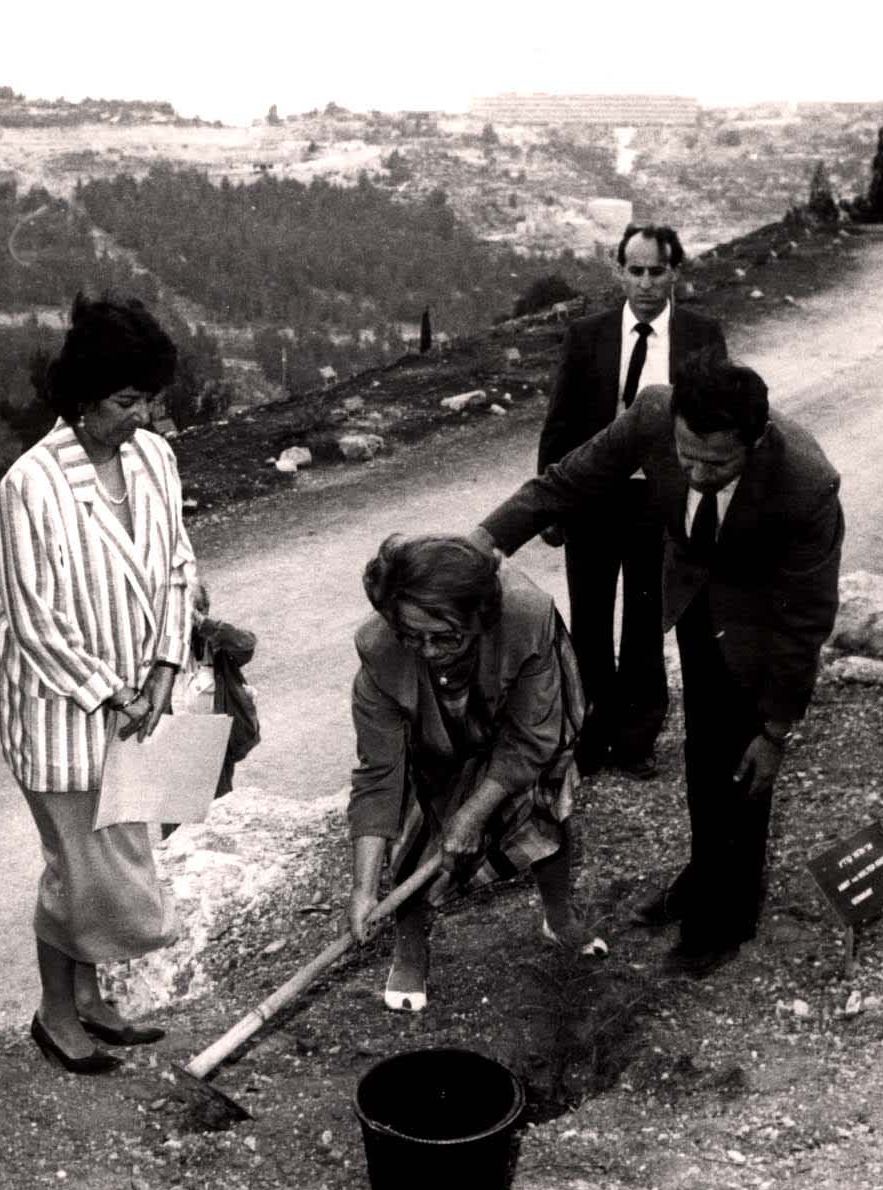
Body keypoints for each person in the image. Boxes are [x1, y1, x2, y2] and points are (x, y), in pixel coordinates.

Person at [473, 362, 842, 977]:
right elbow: (562, 484)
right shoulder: (652, 412)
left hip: (761, 614)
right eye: (685, 456)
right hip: (697, 590)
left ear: (753, 442)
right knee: (706, 748)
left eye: (716, 466)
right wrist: (484, 540)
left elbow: (806, 619)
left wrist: (776, 731)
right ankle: (705, 877)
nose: (696, 474)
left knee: (744, 763)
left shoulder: (807, 485)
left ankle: (725, 921)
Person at [0, 292, 195, 1074]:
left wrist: (167, 669)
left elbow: (179, 567)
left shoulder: (155, 460)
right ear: (81, 397)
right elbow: (35, 620)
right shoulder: (29, 486)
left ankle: (92, 996)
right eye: (126, 400)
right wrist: (117, 690)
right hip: (64, 713)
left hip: (144, 709)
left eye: (149, 398)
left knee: (124, 850)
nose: (141, 416)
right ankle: (54, 1012)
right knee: (79, 868)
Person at [344, 534, 604, 1014]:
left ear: (480, 620)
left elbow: (531, 739)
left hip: (519, 709)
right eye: (411, 635)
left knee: (545, 794)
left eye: (445, 637)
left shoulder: (525, 618)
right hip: (439, 719)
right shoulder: (381, 652)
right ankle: (410, 942)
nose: (428, 650)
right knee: (417, 811)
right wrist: (363, 890)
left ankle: (558, 914)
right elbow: (379, 775)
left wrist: (473, 814)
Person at [538, 222, 727, 779]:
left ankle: (637, 739)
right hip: (594, 501)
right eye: (635, 271)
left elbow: (716, 424)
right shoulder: (587, 335)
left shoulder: (700, 335)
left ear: (676, 273)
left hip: (660, 505)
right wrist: (553, 501)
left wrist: (705, 504)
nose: (645, 284)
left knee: (647, 620)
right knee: (589, 620)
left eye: (657, 272)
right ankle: (591, 736)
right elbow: (560, 423)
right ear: (619, 271)